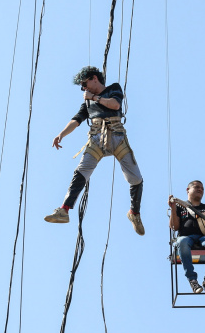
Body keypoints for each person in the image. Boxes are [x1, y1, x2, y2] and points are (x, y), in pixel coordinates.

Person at [44, 66, 145, 235]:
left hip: (117, 136)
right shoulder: (87, 102)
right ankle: (64, 210)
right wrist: (61, 134)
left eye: (85, 84)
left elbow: (115, 104)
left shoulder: (113, 89)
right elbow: (76, 120)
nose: (84, 88)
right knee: (81, 171)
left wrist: (94, 97)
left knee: (136, 179)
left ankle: (134, 213)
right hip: (97, 139)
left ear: (94, 78)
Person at [168, 180, 205, 293]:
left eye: (202, 188)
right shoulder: (180, 207)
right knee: (182, 242)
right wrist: (173, 209)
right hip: (186, 237)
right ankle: (192, 280)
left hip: (204, 237)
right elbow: (174, 227)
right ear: (188, 190)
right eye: (196, 187)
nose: (200, 189)